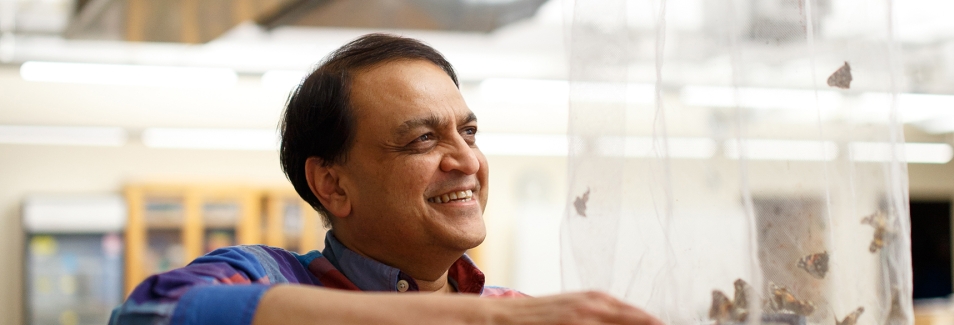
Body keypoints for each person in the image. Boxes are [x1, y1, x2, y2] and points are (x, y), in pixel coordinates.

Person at [109, 33, 663, 325]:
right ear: (333, 186)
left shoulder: (515, 308)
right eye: (423, 139)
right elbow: (150, 316)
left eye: (467, 133)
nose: (466, 160)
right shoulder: (269, 278)